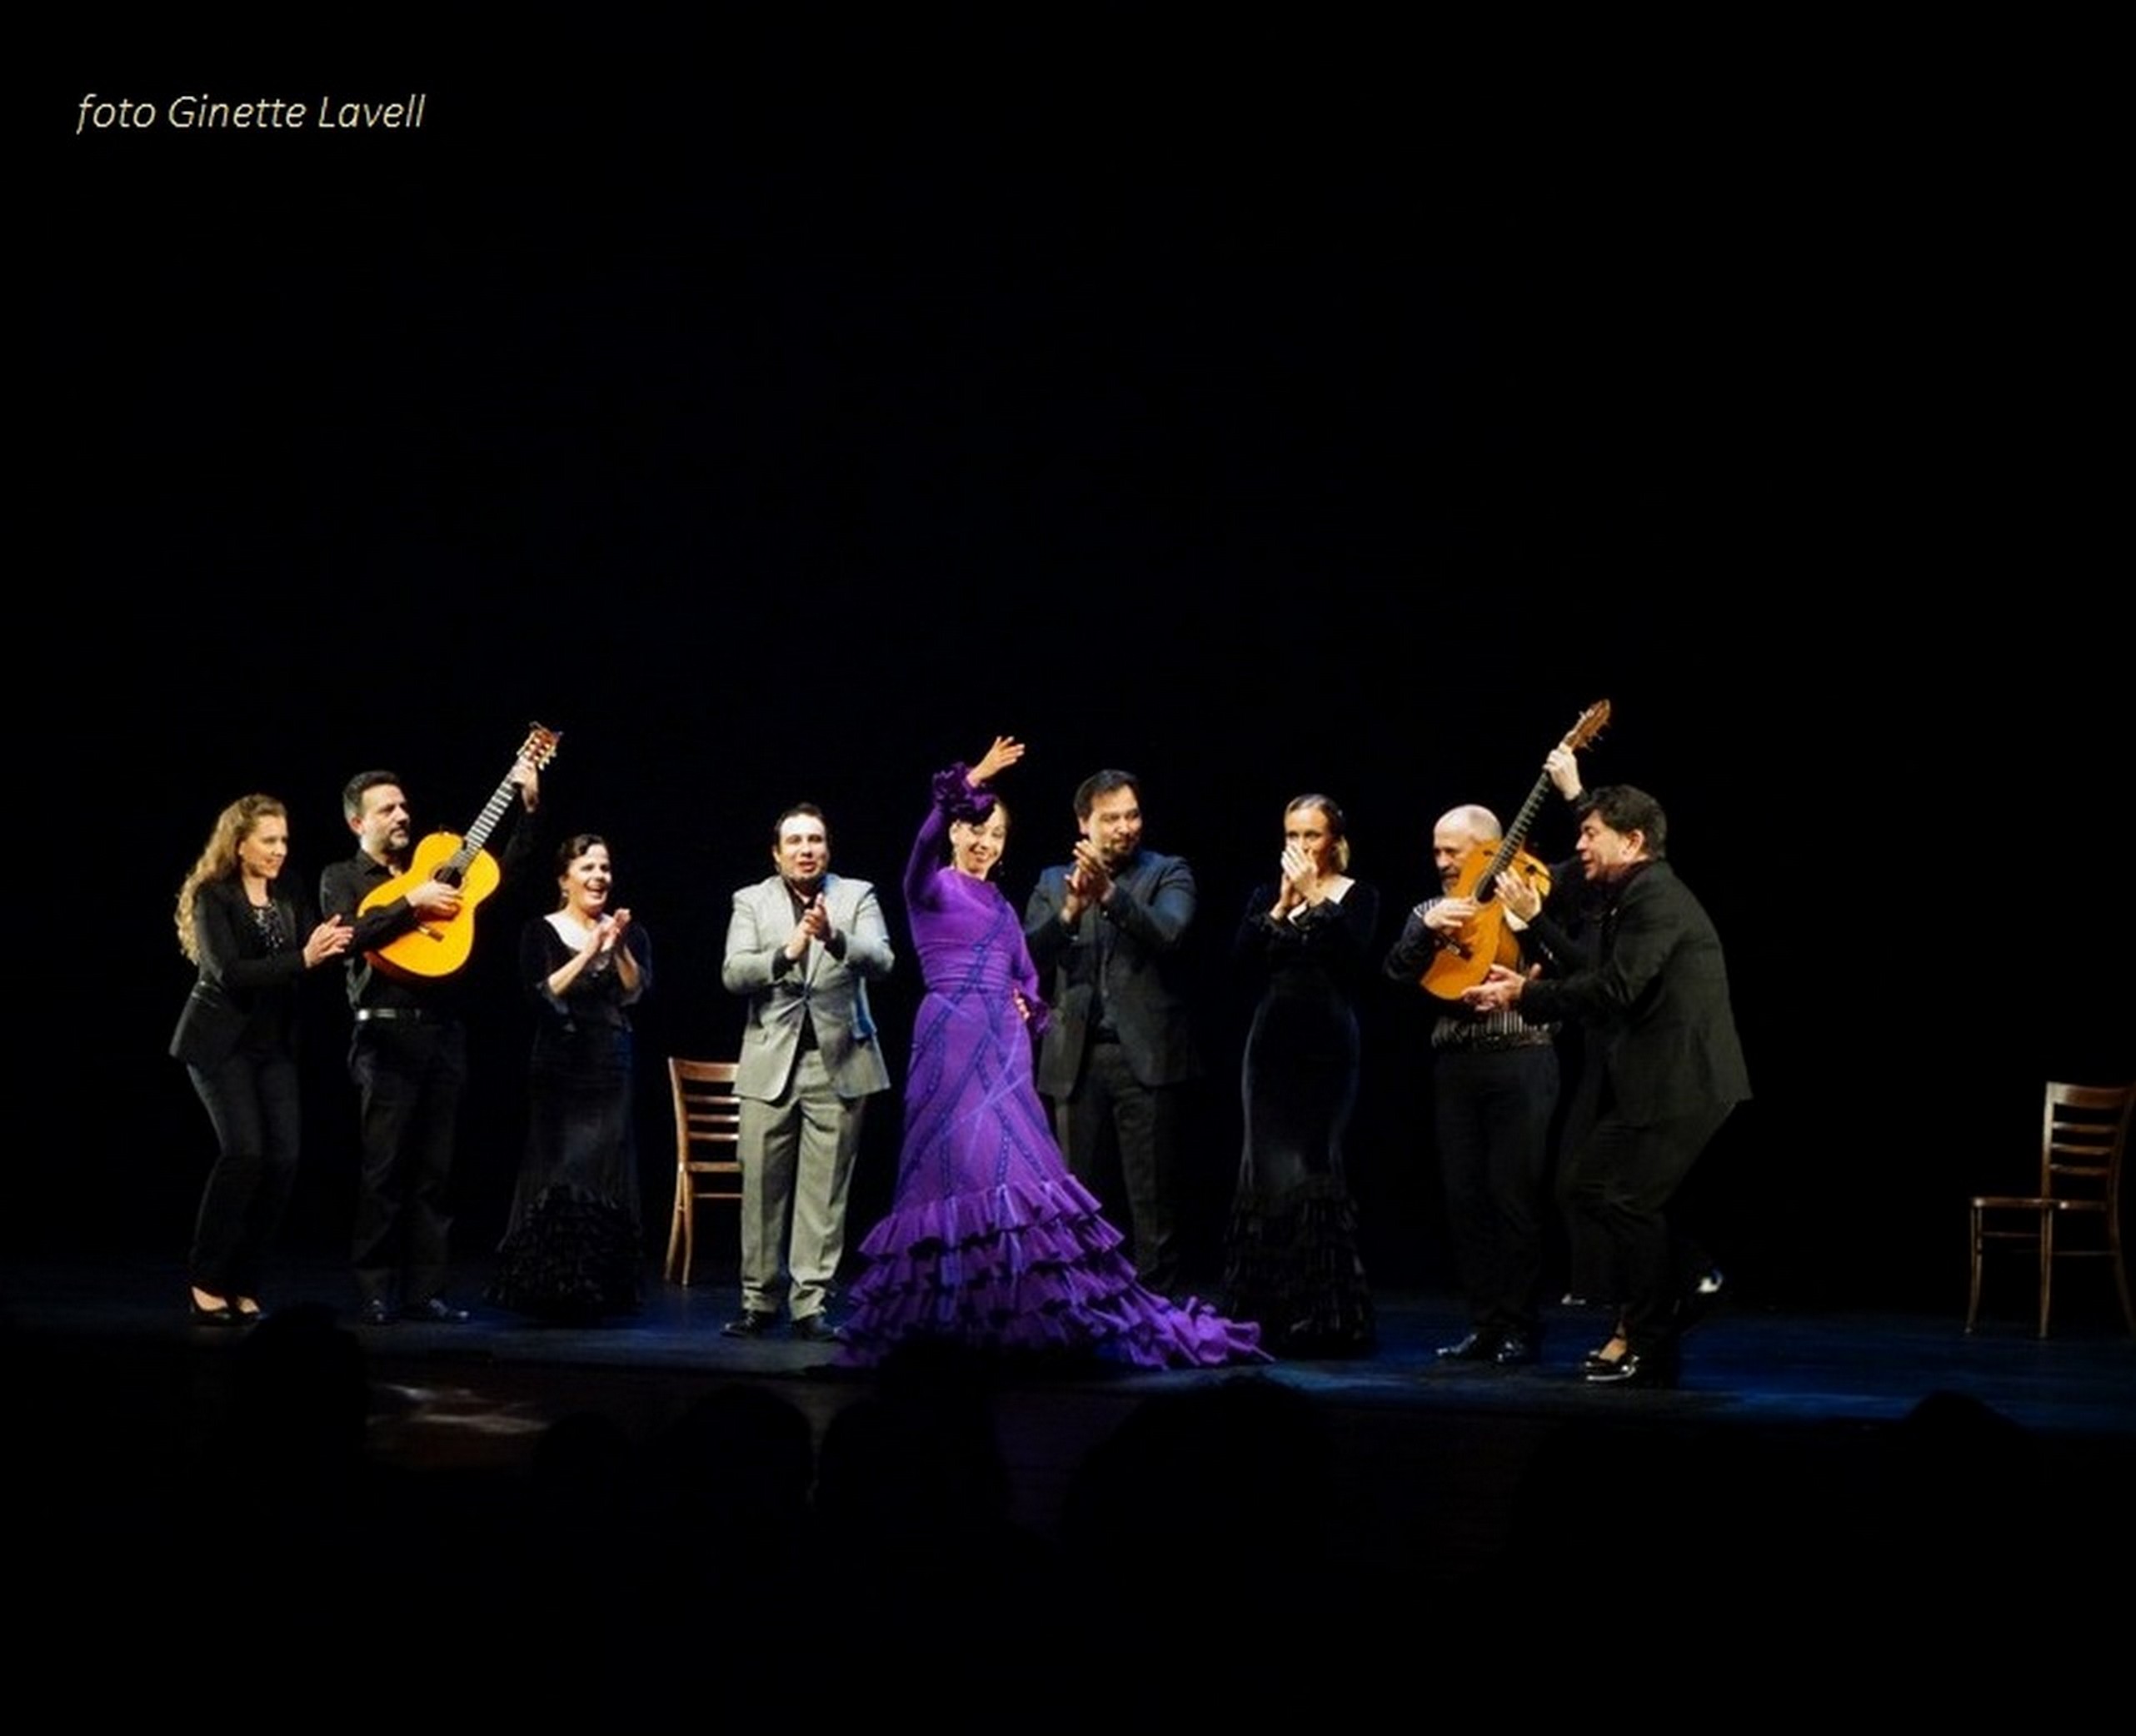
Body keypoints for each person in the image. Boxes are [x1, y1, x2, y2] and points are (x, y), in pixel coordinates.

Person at [842, 740, 1261, 1367]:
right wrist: (969, 780)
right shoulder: (927, 889)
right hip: (951, 1039)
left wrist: (1028, 1005)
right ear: (958, 832)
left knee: (1016, 1179)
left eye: (998, 833)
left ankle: (1024, 1313)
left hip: (1005, 1049)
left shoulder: (1004, 904)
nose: (986, 842)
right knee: (956, 1172)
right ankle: (954, 1315)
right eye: (976, 829)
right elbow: (921, 844)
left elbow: (1027, 975)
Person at [1465, 785, 1749, 1388]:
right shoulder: (1630, 897)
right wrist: (1529, 955)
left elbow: (1613, 993)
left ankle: (1651, 1343)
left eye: (1591, 833)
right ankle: (1694, 1280)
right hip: (1654, 1079)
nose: (1579, 844)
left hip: (1687, 1080)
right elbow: (1594, 980)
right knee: (1585, 1186)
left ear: (1634, 840)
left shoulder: (1655, 899)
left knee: (1627, 1200)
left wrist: (1524, 993)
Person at [1382, 751, 1585, 1369]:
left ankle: (1522, 1325)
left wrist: (1529, 917)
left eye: (1453, 852)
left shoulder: (1534, 895)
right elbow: (1394, 975)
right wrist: (1425, 933)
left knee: (1514, 1197)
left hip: (1521, 1060)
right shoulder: (1429, 910)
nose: (1441, 863)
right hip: (1456, 1069)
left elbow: (1572, 944)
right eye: (1437, 852)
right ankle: (1485, 1324)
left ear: (1489, 850)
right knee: (1466, 1200)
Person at [321, 757, 540, 1326]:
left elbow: (501, 879)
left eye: (403, 806)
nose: (401, 815)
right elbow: (349, 936)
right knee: (383, 1170)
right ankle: (373, 1291)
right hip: (383, 1031)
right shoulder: (343, 878)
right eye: (386, 809)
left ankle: (426, 1292)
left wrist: (528, 811)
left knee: (436, 1173)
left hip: (443, 1031)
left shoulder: (439, 865)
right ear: (356, 823)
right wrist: (409, 903)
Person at [171, 795, 352, 1324]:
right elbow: (229, 972)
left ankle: (245, 1281)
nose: (279, 850)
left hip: (272, 1047)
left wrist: (327, 946)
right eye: (269, 841)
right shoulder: (214, 895)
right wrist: (303, 958)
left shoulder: (290, 890)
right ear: (240, 844)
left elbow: (314, 948)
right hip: (219, 1044)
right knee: (245, 1154)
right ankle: (206, 1279)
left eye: (284, 840)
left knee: (284, 1161)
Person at [1023, 767, 1200, 1299]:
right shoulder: (1053, 882)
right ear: (1084, 823)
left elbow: (1170, 933)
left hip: (1143, 1056)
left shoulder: (1168, 872)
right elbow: (1026, 954)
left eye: (1133, 815)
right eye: (1111, 818)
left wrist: (1110, 897)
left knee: (1152, 1196)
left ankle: (1156, 1306)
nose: (1126, 827)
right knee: (1075, 1193)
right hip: (1073, 1058)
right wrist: (1072, 911)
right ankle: (1080, 1299)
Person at [721, 801, 894, 1339]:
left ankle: (810, 1303)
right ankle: (759, 1300)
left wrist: (832, 938)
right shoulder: (751, 900)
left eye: (815, 839)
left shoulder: (855, 895)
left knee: (825, 1191)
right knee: (762, 1188)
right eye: (794, 841)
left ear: (828, 848)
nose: (806, 849)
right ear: (777, 855)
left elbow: (883, 960)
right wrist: (786, 951)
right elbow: (734, 972)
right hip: (771, 1059)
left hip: (839, 1060)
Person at [1220, 795, 1378, 1355]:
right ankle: (1270, 1311)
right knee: (1263, 1173)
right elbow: (1239, 966)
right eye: (1292, 836)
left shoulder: (1358, 896)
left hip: (1329, 1043)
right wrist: (1282, 910)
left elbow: (1357, 965)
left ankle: (1326, 1312)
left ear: (1334, 840)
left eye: (1311, 836)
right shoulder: (1268, 894)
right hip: (1270, 1047)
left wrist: (1317, 900)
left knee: (1315, 1165)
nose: (1301, 847)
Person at [489, 834, 651, 1322]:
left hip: (610, 1060)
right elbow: (542, 994)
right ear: (565, 880)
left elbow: (634, 994)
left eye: (604, 867)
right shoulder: (540, 931)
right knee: (558, 1168)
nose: (599, 876)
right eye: (587, 868)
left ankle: (598, 1288)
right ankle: (550, 1287)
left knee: (603, 1169)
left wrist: (618, 947)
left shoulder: (629, 932)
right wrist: (587, 954)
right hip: (558, 1062)